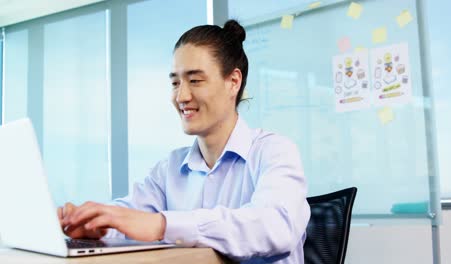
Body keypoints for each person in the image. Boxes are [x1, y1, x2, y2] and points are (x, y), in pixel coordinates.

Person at [58, 19, 310, 264]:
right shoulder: (170, 168)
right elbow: (130, 217)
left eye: (195, 81)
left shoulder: (274, 151)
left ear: (233, 82)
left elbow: (275, 225)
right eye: (175, 82)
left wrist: (162, 225)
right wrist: (95, 224)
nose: (182, 95)